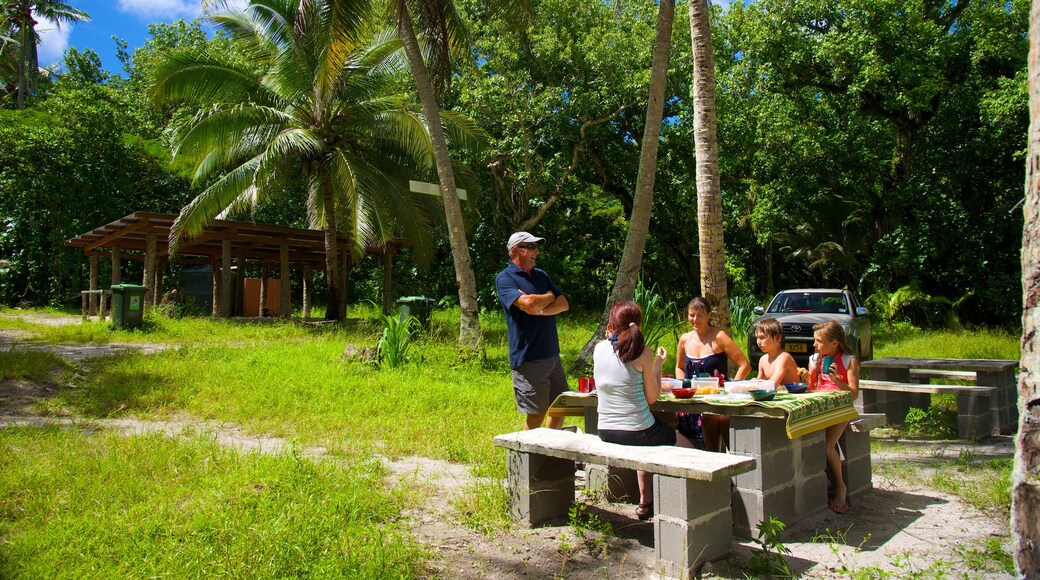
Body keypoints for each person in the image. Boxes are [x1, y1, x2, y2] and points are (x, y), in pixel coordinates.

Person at [593, 300, 691, 521]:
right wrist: (657, 364)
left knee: (648, 445)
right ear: (638, 324)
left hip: (605, 430)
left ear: (612, 324)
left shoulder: (599, 350)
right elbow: (652, 398)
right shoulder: (643, 352)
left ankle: (645, 502)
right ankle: (680, 507)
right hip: (638, 430)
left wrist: (654, 364)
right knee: (690, 449)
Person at [496, 231, 570, 430]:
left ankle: (549, 455)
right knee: (536, 416)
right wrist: (547, 296)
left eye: (536, 247)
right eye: (531, 247)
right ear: (516, 250)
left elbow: (563, 304)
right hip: (528, 358)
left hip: (552, 355)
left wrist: (538, 310)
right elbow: (527, 303)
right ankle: (528, 459)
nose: (536, 251)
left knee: (560, 408)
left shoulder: (541, 275)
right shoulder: (505, 279)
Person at [674, 296, 751, 452]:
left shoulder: (719, 336)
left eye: (700, 315)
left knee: (719, 446)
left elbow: (745, 365)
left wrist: (731, 390)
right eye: (691, 315)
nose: (695, 319)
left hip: (716, 402)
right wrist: (683, 386)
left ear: (709, 316)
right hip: (692, 401)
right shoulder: (684, 340)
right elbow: (680, 367)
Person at [807, 320, 861, 514]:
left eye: (818, 341)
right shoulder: (815, 359)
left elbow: (853, 394)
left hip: (842, 408)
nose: (814, 345)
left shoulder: (848, 360)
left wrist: (837, 379)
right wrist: (807, 376)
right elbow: (811, 388)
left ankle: (840, 487)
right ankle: (823, 479)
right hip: (821, 407)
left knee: (827, 445)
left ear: (835, 343)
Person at [754, 317, 800, 388]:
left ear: (778, 338)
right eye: (757, 337)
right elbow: (759, 383)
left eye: (762, 338)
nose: (758, 342)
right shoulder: (763, 360)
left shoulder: (784, 358)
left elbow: (773, 384)